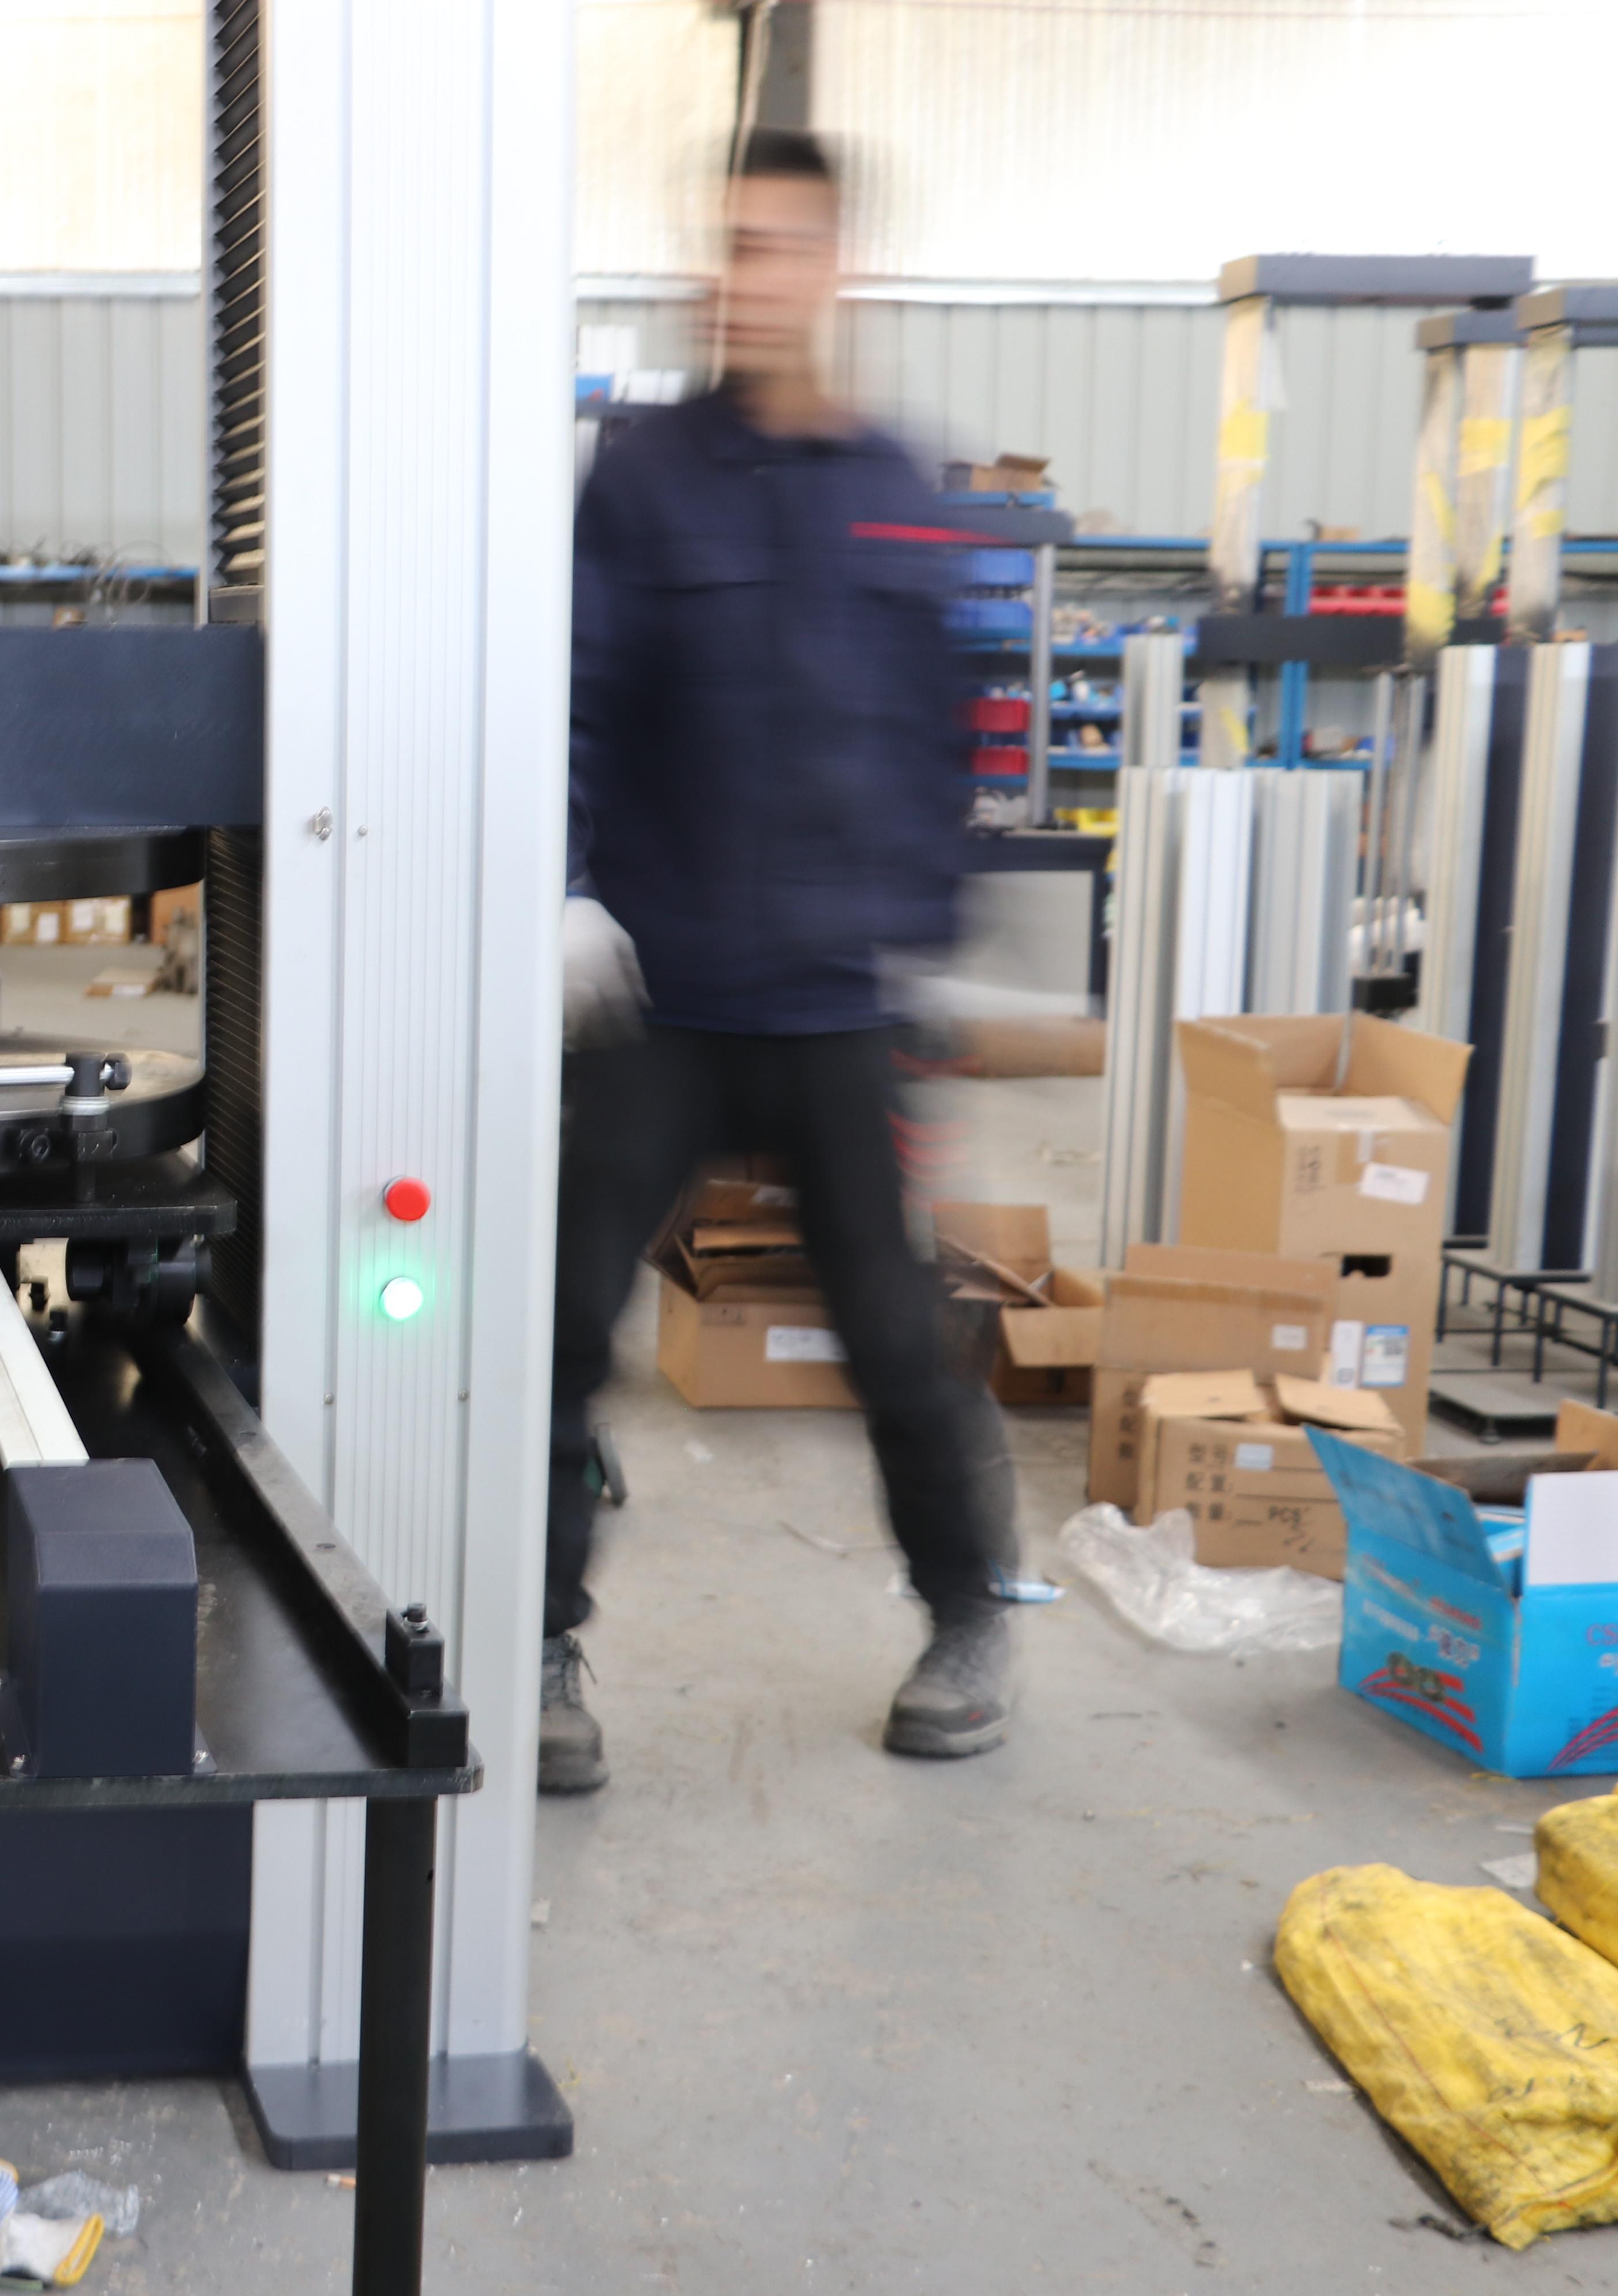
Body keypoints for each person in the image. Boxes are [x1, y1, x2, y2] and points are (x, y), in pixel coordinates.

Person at [540, 128, 1009, 1793]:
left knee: (894, 1331)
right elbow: (575, 698)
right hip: (659, 994)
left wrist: (927, 936)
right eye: (730, 244)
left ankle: (968, 1617)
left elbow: (945, 731)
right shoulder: (644, 476)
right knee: (562, 1327)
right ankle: (540, 1640)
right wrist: (566, 893)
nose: (748, 277)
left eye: (782, 246)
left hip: (830, 1003)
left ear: (836, 269)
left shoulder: (900, 486)